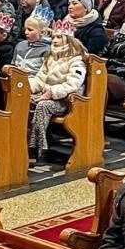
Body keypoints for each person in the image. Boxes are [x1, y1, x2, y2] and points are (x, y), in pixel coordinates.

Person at [25, 20, 87, 158]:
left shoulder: (76, 60)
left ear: (69, 40)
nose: (55, 40)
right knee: (24, 100)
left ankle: (36, 146)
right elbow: (40, 79)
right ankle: (21, 140)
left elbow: (73, 84)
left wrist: (52, 92)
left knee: (43, 105)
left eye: (59, 37)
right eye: (53, 37)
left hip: (66, 100)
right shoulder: (51, 57)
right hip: (46, 94)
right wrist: (27, 87)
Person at [11, 12, 52, 76]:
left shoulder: (47, 50)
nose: (26, 32)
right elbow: (13, 66)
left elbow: (46, 74)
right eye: (25, 29)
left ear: (42, 32)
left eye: (30, 30)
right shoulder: (20, 45)